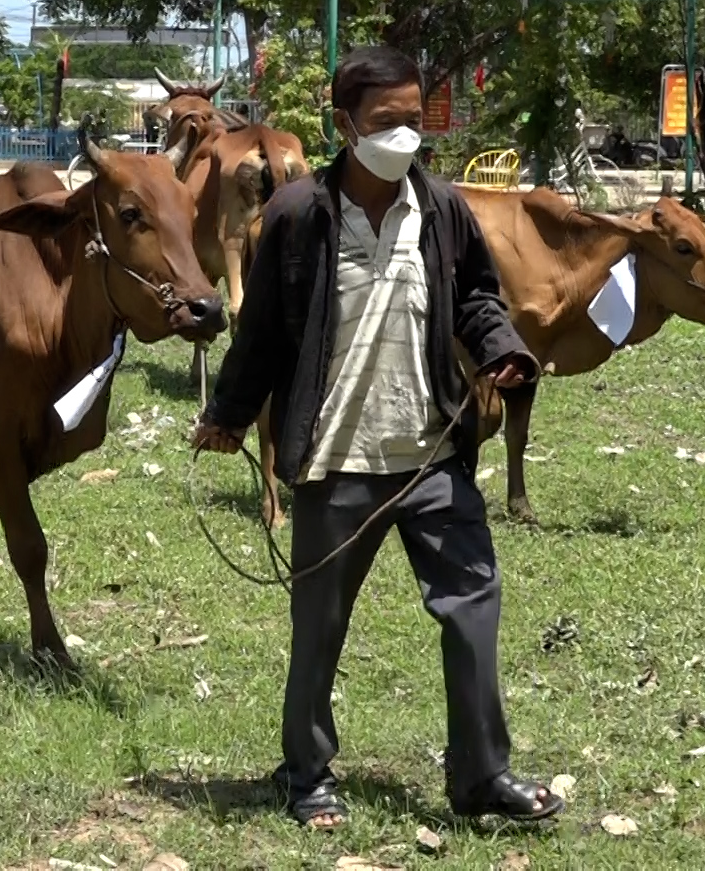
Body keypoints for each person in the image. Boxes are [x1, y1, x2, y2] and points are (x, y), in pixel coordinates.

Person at [191, 45, 563, 829]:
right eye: (385, 121)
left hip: (429, 454)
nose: (404, 136)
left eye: (413, 120)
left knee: (473, 604)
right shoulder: (297, 216)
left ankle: (481, 777)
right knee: (319, 627)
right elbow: (257, 334)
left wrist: (504, 351)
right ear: (343, 125)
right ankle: (308, 774)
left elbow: (476, 300)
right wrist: (228, 415)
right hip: (336, 460)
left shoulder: (444, 207)